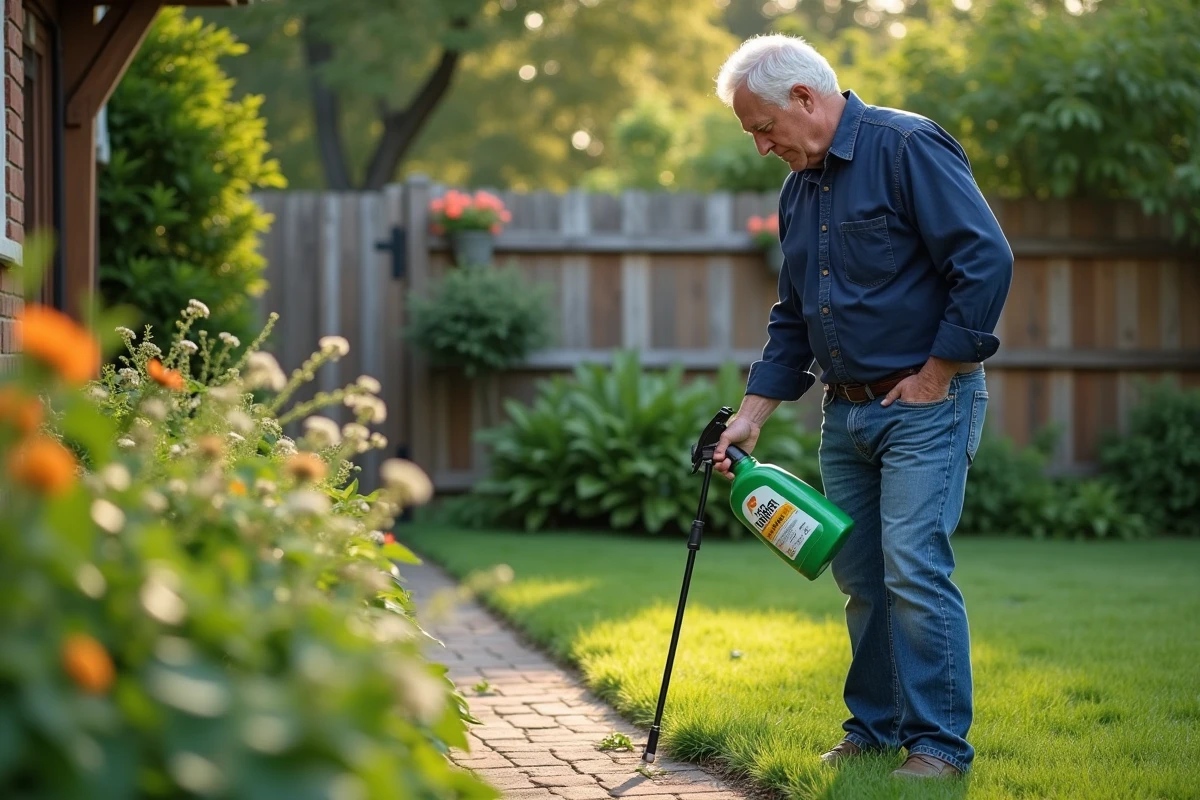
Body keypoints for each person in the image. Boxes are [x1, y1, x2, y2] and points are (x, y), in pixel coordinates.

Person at [710, 34, 1013, 780]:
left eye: (763, 127)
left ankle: (939, 746)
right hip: (844, 415)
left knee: (914, 568)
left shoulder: (906, 146)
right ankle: (873, 731)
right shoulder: (799, 189)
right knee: (862, 579)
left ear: (805, 99)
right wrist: (750, 416)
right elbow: (793, 317)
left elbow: (985, 260)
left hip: (923, 407)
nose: (760, 146)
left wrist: (940, 372)